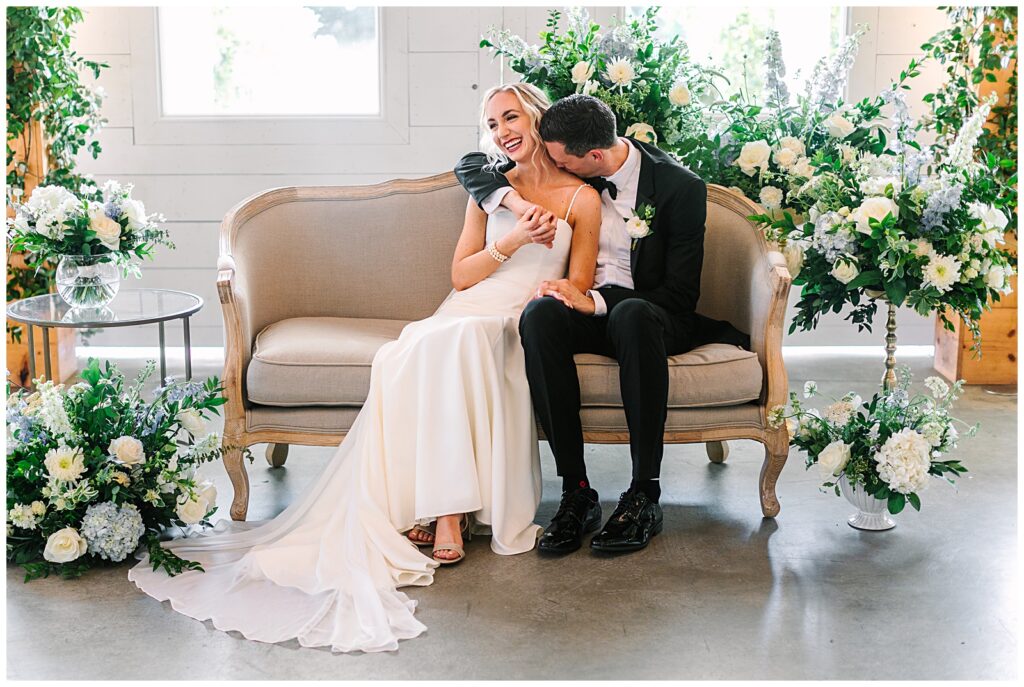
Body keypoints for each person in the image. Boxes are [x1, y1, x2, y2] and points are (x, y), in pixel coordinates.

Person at [128, 83, 601, 653]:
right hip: (470, 306)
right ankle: (443, 511)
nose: (502, 131)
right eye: (492, 123)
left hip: (519, 317)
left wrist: (546, 292)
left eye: (509, 117)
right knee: (416, 347)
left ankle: (440, 510)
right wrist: (516, 238)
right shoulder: (489, 191)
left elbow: (577, 283)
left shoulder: (582, 200)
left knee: (453, 345)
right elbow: (461, 276)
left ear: (535, 115)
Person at [455, 95, 748, 556]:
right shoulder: (570, 164)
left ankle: (644, 494)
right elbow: (473, 165)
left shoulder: (678, 188)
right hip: (587, 309)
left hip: (650, 315)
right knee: (540, 313)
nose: (552, 165)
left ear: (592, 157)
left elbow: (678, 296)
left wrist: (593, 300)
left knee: (631, 315)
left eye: (559, 160)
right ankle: (576, 491)